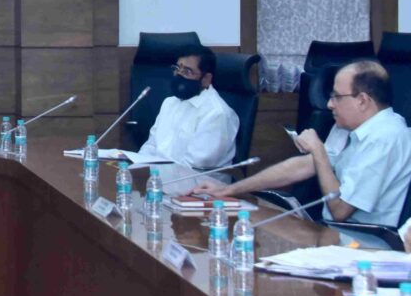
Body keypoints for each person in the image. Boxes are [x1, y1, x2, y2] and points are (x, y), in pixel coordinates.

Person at [193, 60, 411, 227]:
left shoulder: (385, 138)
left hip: (365, 244)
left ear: (362, 100)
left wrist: (318, 150)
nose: (329, 104)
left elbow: (340, 210)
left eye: (337, 97)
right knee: (255, 224)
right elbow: (303, 166)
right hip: (335, 234)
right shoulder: (349, 127)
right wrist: (229, 189)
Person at [139, 45, 239, 194]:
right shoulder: (170, 103)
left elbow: (192, 167)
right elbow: (152, 146)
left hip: (200, 191)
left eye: (187, 71)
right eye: (177, 68)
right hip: (162, 183)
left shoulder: (217, 114)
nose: (179, 75)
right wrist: (136, 168)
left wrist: (150, 177)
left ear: (206, 79)